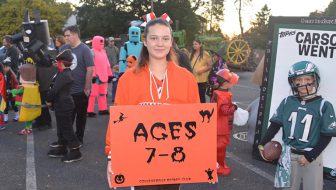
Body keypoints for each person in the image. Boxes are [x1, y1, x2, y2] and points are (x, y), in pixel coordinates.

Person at [105, 18, 200, 190]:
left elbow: (197, 121)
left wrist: (205, 155)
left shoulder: (186, 78)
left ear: (171, 42)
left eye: (165, 38)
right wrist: (112, 157)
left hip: (174, 160)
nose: (159, 43)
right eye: (154, 38)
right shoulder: (128, 79)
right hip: (140, 160)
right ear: (145, 41)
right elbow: (117, 120)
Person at [258, 61, 336, 190]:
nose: (303, 82)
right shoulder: (288, 101)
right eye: (299, 79)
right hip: (287, 154)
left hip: (311, 155)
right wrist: (262, 143)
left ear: (314, 80)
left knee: (312, 187)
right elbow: (275, 126)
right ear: (293, 82)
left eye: (307, 79)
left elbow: (326, 135)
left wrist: (310, 156)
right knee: (285, 188)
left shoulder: (324, 105)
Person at [46, 49, 82, 163]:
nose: (56, 63)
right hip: (61, 104)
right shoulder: (62, 73)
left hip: (64, 105)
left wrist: (48, 100)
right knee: (61, 128)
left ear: (62, 62)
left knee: (67, 129)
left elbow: (54, 90)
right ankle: (62, 148)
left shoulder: (65, 75)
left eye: (58, 61)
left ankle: (76, 152)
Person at [60, 25, 94, 145]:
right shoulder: (64, 48)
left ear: (75, 35)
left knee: (81, 117)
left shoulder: (85, 49)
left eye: (68, 35)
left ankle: (79, 138)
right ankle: (66, 140)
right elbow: (59, 65)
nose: (66, 38)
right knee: (67, 117)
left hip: (80, 91)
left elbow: (90, 69)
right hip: (66, 90)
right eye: (65, 36)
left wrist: (87, 87)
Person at [210, 68, 239, 176]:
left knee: (215, 148)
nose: (233, 84)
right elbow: (225, 111)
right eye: (231, 83)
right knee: (220, 149)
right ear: (226, 84)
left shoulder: (217, 92)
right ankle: (219, 166)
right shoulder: (224, 96)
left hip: (215, 124)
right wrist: (234, 107)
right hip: (222, 127)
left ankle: (216, 164)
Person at [87, 36, 112, 117]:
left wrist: (110, 74)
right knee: (92, 95)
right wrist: (93, 75)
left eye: (103, 42)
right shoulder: (92, 52)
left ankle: (103, 109)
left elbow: (107, 64)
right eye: (100, 41)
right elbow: (91, 65)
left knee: (103, 94)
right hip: (96, 77)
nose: (102, 43)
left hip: (104, 76)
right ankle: (89, 111)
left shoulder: (103, 52)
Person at [2, 57, 19, 123]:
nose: (5, 68)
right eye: (4, 67)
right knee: (5, 105)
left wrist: (13, 90)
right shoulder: (2, 74)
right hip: (5, 92)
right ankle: (6, 118)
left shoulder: (12, 75)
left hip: (12, 91)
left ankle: (17, 116)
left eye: (6, 67)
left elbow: (16, 83)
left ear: (9, 67)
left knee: (14, 104)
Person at [105, 37, 119, 103]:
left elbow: (119, 58)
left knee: (115, 82)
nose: (112, 42)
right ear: (108, 42)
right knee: (106, 82)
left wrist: (117, 65)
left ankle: (114, 97)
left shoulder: (116, 49)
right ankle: (105, 92)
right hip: (107, 68)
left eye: (113, 41)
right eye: (111, 41)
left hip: (114, 68)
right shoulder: (105, 49)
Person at [0, 64, 6, 131]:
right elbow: (2, 86)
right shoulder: (1, 75)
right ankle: (1, 125)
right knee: (1, 110)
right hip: (0, 94)